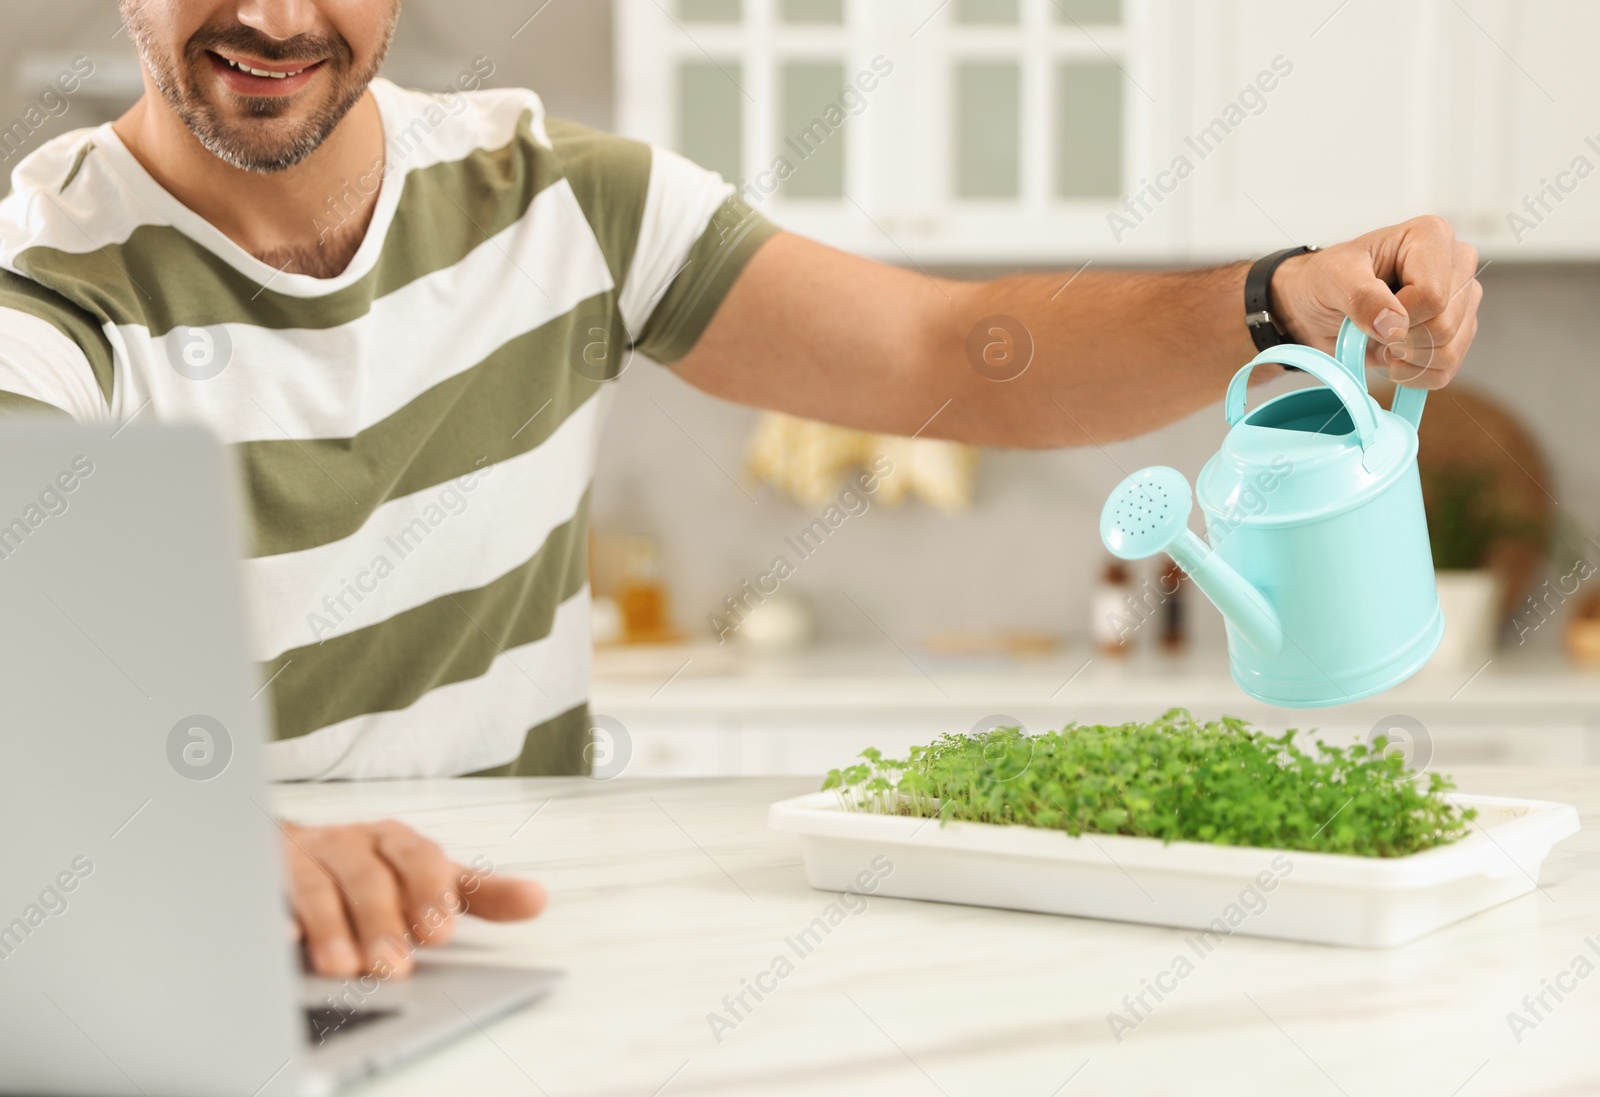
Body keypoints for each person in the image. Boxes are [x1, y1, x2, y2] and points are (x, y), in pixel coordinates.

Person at [0, 1, 1482, 980]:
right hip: (196, 946)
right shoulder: (43, 284)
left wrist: (1277, 297)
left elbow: (947, 353)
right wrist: (227, 840)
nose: (266, 10)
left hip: (503, 943)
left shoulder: (561, 200)